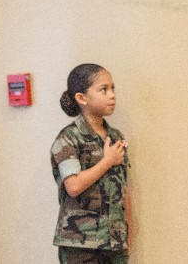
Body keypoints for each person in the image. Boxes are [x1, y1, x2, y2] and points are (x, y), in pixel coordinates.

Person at [50, 64, 132, 264]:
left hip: (115, 242)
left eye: (113, 88)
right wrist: (107, 161)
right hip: (80, 243)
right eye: (103, 89)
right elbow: (74, 186)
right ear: (81, 98)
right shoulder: (69, 138)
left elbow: (123, 189)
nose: (112, 95)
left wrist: (128, 234)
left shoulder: (115, 137)